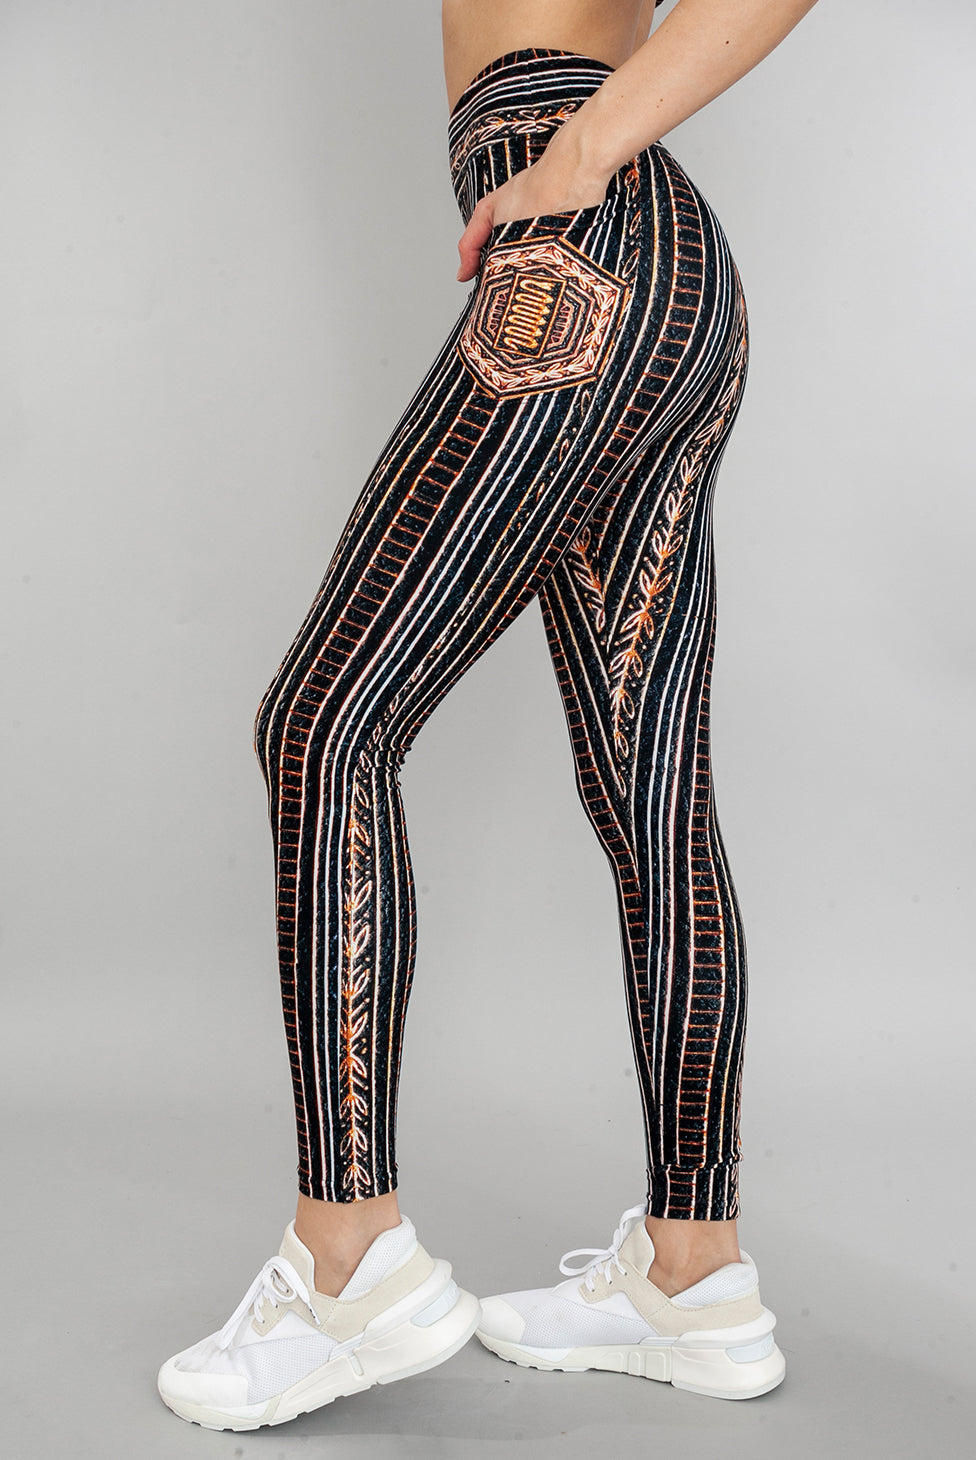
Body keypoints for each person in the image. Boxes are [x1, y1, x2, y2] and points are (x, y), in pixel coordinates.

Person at [158, 0, 819, 1430]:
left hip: (584, 250)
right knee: (650, 798)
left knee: (325, 724)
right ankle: (694, 1275)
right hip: (671, 283)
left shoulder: (582, 166)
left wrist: (584, 146)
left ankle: (349, 1263)